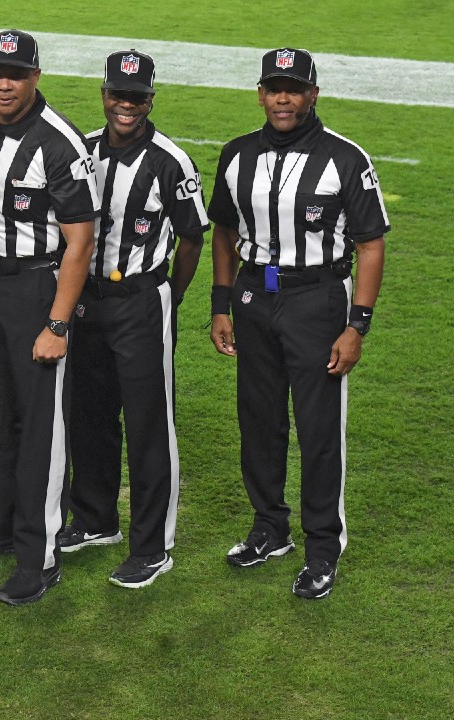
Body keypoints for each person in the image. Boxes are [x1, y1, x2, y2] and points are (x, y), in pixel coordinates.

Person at [209, 48, 388, 600]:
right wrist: (221, 303)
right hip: (254, 295)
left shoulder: (345, 158)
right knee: (258, 420)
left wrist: (357, 325)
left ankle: (322, 547)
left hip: (317, 299)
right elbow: (222, 231)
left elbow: (371, 245)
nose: (283, 98)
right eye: (274, 87)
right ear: (260, 93)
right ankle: (269, 528)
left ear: (313, 94)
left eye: (294, 88)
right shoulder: (236, 154)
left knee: (318, 430)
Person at [0, 30, 99, 605]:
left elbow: (80, 241)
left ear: (36, 76)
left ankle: (41, 554)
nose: (3, 83)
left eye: (15, 73)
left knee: (39, 427)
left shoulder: (59, 142)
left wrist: (58, 324)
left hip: (38, 288)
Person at [62, 49, 209, 588]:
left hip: (142, 298)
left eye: (137, 96)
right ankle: (95, 519)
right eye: (118, 94)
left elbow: (192, 238)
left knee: (149, 424)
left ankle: (153, 547)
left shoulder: (170, 160)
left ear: (151, 98)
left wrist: (169, 293)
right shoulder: (80, 151)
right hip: (87, 298)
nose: (126, 104)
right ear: (104, 95)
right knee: (88, 411)